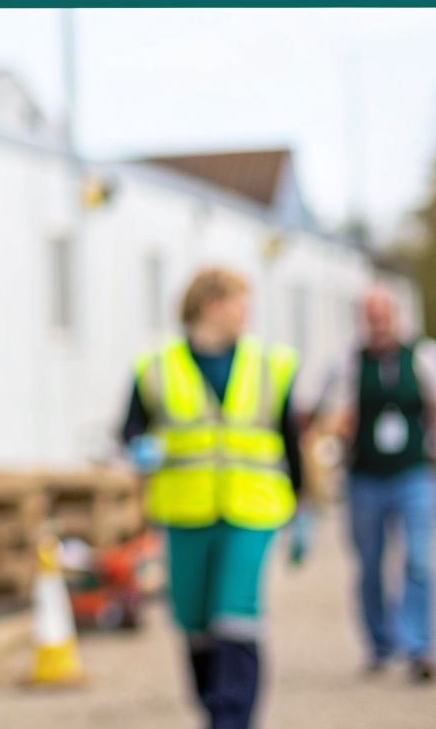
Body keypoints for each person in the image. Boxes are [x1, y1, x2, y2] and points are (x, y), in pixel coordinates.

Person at [122, 267, 303, 729]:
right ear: (211, 305)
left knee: (236, 615)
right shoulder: (157, 367)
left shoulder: (270, 364)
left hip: (252, 510)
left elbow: (290, 440)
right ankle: (213, 710)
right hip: (184, 513)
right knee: (195, 623)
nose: (248, 314)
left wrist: (305, 507)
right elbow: (130, 430)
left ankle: (233, 719)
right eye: (241, 303)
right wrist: (139, 450)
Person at [315, 287, 436, 683]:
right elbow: (326, 417)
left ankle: (419, 647)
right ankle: (380, 643)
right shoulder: (348, 362)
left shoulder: (425, 357)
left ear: (397, 315)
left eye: (384, 315)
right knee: (370, 565)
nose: (378, 323)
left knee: (418, 560)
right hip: (365, 478)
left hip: (414, 473)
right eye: (370, 316)